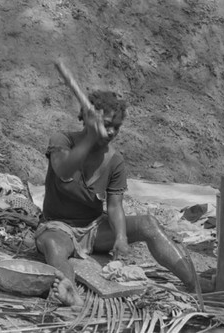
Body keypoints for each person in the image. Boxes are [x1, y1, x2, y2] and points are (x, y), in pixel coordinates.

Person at [35, 90, 213, 307]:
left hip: (94, 228)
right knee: (53, 245)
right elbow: (63, 169)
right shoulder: (62, 141)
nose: (111, 132)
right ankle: (69, 291)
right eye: (106, 124)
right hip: (59, 226)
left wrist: (120, 236)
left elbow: (115, 205)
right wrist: (90, 139)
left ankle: (194, 283)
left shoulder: (114, 161)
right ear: (89, 121)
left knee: (148, 224)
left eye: (116, 127)